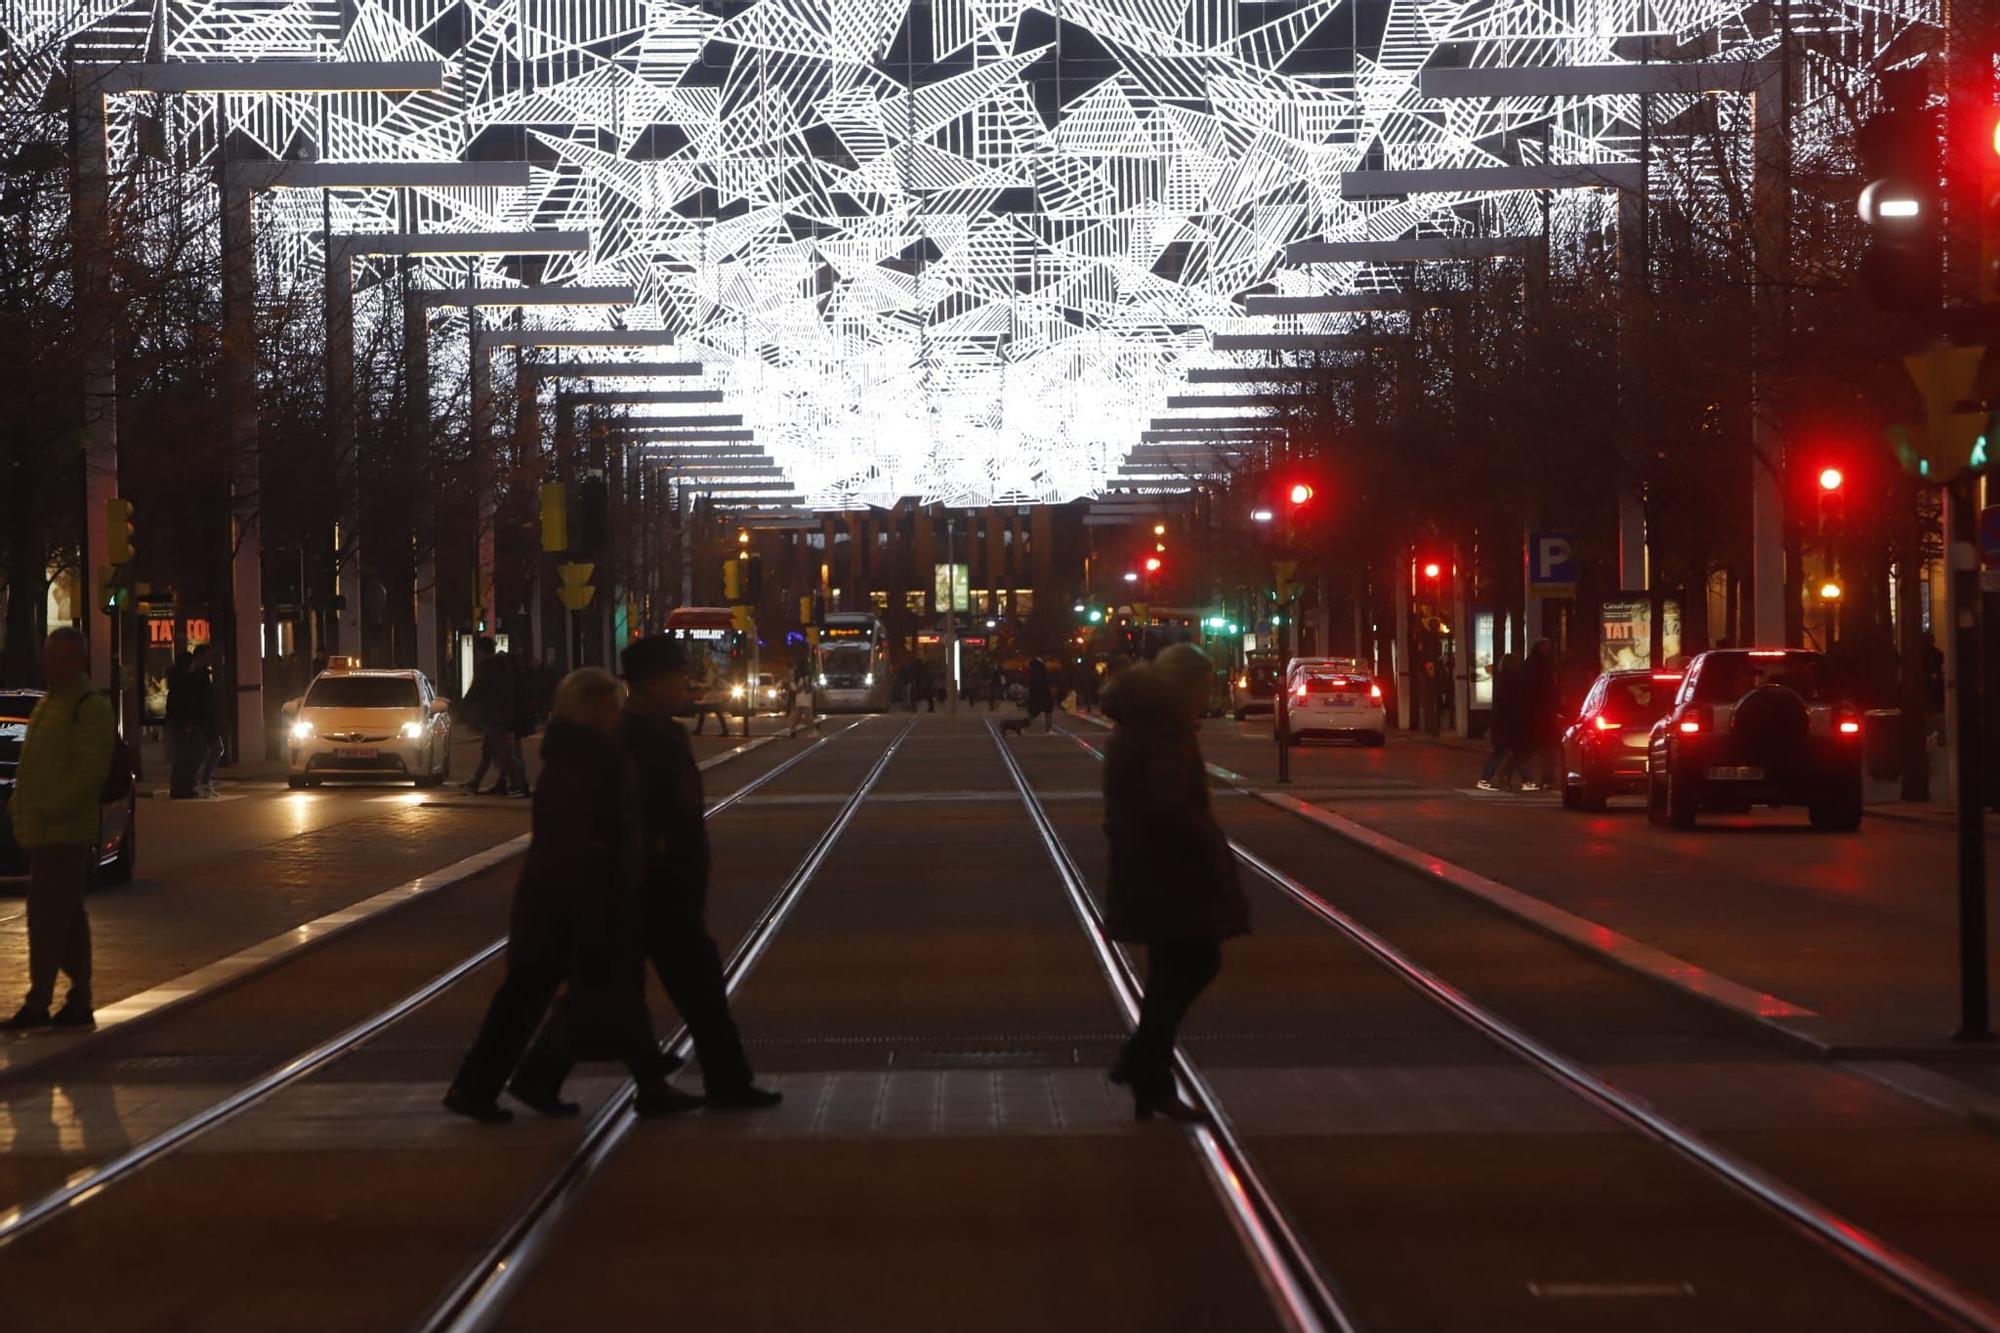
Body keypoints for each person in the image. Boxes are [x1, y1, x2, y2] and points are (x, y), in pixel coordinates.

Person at [518, 640, 782, 1110]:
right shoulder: (630, 736)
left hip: (660, 877)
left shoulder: (662, 731)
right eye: (678, 676)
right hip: (650, 881)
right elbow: (629, 809)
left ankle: (552, 1076)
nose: (686, 684)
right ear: (655, 683)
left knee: (616, 989)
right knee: (682, 988)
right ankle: (723, 1082)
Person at [444, 667, 693, 1122]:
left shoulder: (587, 753)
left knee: (592, 990)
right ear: (591, 709)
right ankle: (490, 1086)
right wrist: (598, 893)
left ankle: (636, 1080)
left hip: (573, 897)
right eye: (610, 706)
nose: (617, 714)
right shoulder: (583, 760)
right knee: (546, 994)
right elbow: (576, 835)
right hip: (571, 900)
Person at [1099, 643, 1249, 1121]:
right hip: (1168, 868)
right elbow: (1172, 804)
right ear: (1185, 686)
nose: (1207, 697)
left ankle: (1150, 1078)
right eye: (1203, 687)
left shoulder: (1142, 724)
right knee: (1194, 962)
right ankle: (1141, 1063)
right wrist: (1207, 851)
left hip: (1148, 864)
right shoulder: (1162, 732)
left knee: (1170, 971)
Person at [4, 629, 114, 1030]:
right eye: (50, 657)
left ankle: (40, 1002)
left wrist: (48, 808)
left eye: (63, 657)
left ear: (79, 661)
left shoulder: (87, 707)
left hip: (65, 830)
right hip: (44, 828)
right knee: (66, 918)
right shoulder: (49, 703)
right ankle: (78, 999)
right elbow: (34, 766)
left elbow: (89, 772)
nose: (54, 665)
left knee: (47, 917)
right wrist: (21, 808)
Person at [1516, 638, 1562, 792]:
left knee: (1546, 748)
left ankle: (1547, 777)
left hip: (1544, 714)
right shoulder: (1537, 667)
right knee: (1538, 747)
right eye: (1545, 648)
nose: (1548, 651)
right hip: (1538, 713)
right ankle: (1538, 777)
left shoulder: (1544, 666)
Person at [1478, 652, 1522, 792]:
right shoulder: (1512, 681)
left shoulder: (1502, 679)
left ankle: (1524, 777)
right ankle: (1487, 777)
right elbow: (1510, 703)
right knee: (1510, 751)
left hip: (1500, 721)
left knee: (1506, 751)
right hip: (1506, 722)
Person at [783, 657, 819, 738]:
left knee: (804, 713)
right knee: (797, 713)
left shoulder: (801, 676)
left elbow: (798, 688)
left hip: (801, 696)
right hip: (806, 696)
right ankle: (791, 730)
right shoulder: (807, 675)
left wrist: (792, 684)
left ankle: (813, 730)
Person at [1026, 657, 1056, 732]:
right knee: (1047, 711)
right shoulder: (1041, 671)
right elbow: (1046, 682)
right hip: (1044, 694)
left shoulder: (1034, 671)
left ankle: (1025, 723)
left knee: (1035, 712)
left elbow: (1032, 684)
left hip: (1037, 694)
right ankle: (1049, 727)